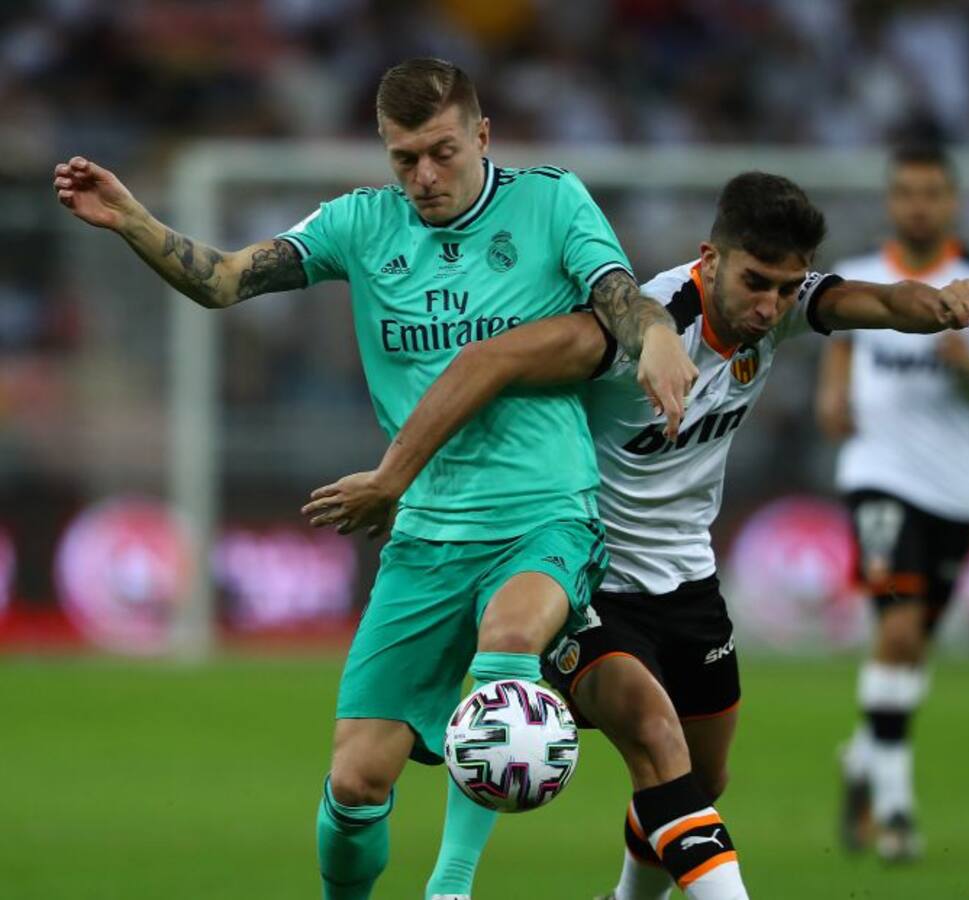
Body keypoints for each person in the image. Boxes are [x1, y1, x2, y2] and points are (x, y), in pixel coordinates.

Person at [53, 57, 698, 900]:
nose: (424, 176)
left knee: (509, 641)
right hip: (427, 532)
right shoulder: (359, 225)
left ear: (481, 135)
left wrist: (655, 333)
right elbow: (221, 281)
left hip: (546, 511)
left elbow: (618, 297)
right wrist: (133, 218)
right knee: (357, 784)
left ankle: (451, 886)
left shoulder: (551, 200)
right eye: (404, 158)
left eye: (441, 152)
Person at [304, 171, 969, 898]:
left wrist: (938, 307)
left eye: (786, 288)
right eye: (756, 282)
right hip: (589, 579)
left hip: (688, 581)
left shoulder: (779, 308)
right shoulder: (638, 327)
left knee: (700, 780)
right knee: (657, 743)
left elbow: (878, 300)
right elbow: (490, 358)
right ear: (712, 257)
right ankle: (454, 880)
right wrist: (399, 476)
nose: (769, 307)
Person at [814, 145, 969, 861]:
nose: (917, 205)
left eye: (930, 193)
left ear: (951, 201)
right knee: (895, 632)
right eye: (905, 192)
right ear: (891, 200)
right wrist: (831, 394)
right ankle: (895, 811)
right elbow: (839, 341)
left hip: (957, 488)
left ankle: (863, 757)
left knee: (912, 644)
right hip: (877, 476)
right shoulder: (859, 275)